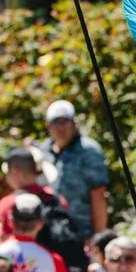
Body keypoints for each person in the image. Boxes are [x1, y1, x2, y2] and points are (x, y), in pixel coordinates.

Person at [41, 100, 113, 241]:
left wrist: (98, 237)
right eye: (56, 122)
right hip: (50, 232)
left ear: (74, 124)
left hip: (82, 234)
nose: (61, 127)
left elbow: (99, 195)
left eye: (65, 121)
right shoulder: (43, 151)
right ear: (48, 126)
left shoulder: (89, 151)